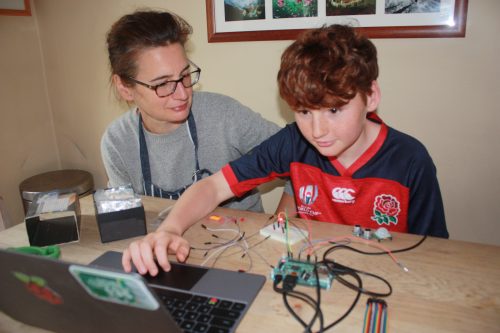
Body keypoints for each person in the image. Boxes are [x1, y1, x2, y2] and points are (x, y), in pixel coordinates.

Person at [122, 24, 448, 275]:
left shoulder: (410, 160)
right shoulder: (294, 143)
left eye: (334, 110)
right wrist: (168, 230)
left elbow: (433, 251)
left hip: (385, 277)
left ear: (371, 96)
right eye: (304, 112)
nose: (317, 131)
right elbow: (213, 186)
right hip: (312, 273)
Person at [101, 9, 291, 213]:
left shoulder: (224, 116)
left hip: (243, 239)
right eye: (163, 84)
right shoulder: (116, 142)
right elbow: (126, 218)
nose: (183, 94)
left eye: (185, 75)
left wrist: (280, 225)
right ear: (125, 88)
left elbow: (302, 155)